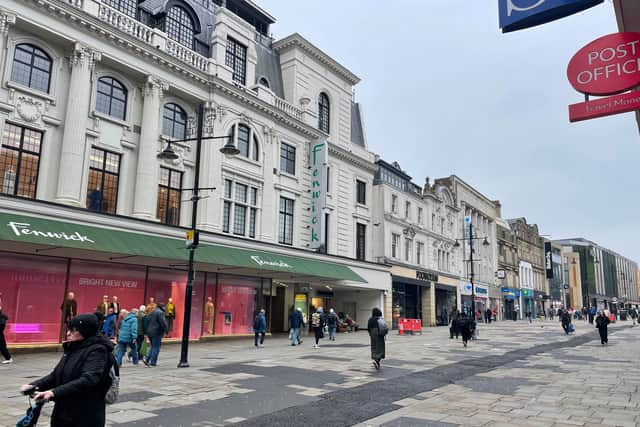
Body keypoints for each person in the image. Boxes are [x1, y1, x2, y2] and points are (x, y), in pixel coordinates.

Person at [21, 314, 114, 427]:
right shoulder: (72, 347)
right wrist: (34, 385)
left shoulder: (98, 351)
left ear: (85, 331)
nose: (68, 333)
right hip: (63, 412)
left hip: (84, 415)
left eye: (73, 330)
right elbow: (55, 375)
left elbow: (89, 379)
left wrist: (53, 393)